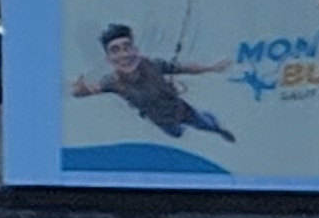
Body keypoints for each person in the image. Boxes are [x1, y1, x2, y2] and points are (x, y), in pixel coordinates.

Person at [73, 22, 234, 142]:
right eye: (115, 50)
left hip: (181, 109)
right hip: (161, 120)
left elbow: (184, 68)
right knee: (177, 134)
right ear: (109, 59)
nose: (124, 55)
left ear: (136, 51)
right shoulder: (112, 82)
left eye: (127, 47)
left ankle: (217, 129)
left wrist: (211, 68)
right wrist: (80, 90)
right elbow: (89, 91)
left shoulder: (154, 65)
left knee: (206, 124)